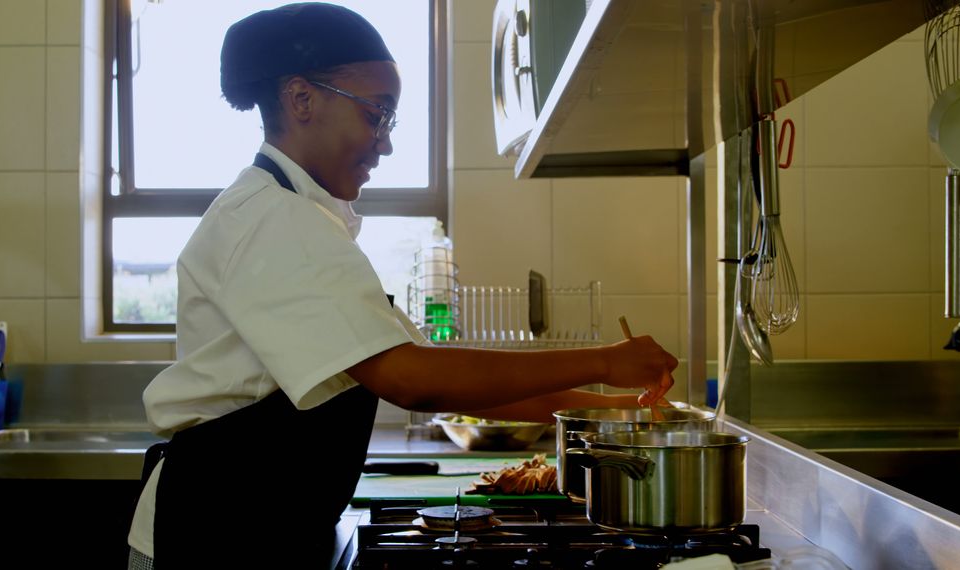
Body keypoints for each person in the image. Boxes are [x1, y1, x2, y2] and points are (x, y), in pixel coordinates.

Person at [125, 3, 678, 568]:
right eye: (377, 114)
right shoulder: (270, 219)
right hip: (214, 534)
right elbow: (413, 380)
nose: (385, 142)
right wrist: (605, 363)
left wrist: (614, 414)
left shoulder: (306, 220)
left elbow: (443, 373)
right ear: (301, 99)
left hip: (258, 528)